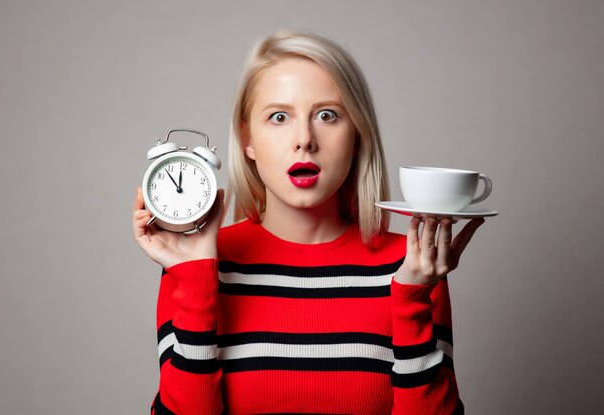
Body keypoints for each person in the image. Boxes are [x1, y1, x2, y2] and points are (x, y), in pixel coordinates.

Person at [133, 30, 485, 415]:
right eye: (279, 117)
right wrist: (197, 279)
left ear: (357, 135)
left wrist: (414, 294)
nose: (304, 139)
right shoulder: (196, 266)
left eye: (327, 115)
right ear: (247, 139)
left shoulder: (413, 264)